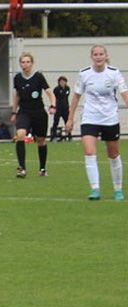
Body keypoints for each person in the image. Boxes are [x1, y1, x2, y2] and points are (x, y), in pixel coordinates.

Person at [66, 44, 128, 201]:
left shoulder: (114, 73)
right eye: (96, 54)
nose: (99, 57)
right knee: (89, 152)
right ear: (91, 57)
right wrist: (70, 117)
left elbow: (124, 94)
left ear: (106, 56)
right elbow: (76, 97)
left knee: (113, 154)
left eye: (101, 54)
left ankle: (118, 189)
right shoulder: (84, 74)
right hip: (90, 117)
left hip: (110, 118)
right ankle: (95, 189)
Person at [11, 52, 55, 178]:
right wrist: (14, 112)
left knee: (41, 140)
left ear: (32, 63)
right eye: (22, 62)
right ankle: (22, 168)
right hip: (24, 112)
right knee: (20, 134)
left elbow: (49, 92)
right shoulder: (17, 78)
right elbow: (17, 96)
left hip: (38, 112)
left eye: (27, 62)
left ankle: (42, 168)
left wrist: (53, 105)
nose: (25, 64)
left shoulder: (38, 77)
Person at [51, 76, 71, 142]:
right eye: (61, 82)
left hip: (65, 108)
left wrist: (68, 107)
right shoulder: (56, 89)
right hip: (58, 108)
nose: (62, 83)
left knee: (67, 122)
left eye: (64, 82)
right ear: (59, 82)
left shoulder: (67, 88)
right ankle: (53, 137)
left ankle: (69, 136)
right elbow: (55, 98)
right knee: (55, 122)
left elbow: (66, 97)